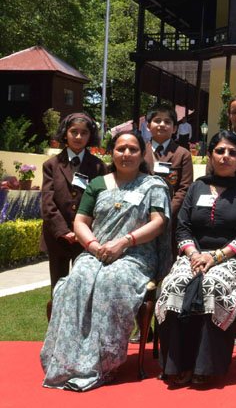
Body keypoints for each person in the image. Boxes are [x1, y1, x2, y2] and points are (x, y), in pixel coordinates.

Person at [40, 131, 171, 391]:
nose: (126, 154)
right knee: (76, 279)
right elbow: (80, 222)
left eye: (133, 149)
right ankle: (67, 362)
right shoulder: (98, 184)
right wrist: (93, 245)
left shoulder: (153, 185)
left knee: (111, 280)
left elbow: (158, 223)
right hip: (96, 251)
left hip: (136, 254)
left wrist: (125, 241)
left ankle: (103, 361)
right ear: (112, 152)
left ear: (141, 154)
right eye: (121, 148)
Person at [155, 131, 236, 385]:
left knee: (211, 286)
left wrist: (215, 257)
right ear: (210, 155)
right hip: (194, 255)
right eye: (220, 151)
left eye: (232, 153)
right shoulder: (198, 186)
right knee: (173, 285)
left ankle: (205, 367)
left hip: (232, 258)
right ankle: (177, 364)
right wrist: (194, 254)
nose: (226, 157)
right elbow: (182, 226)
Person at [40, 112, 107, 290]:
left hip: (87, 238)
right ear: (65, 133)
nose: (78, 137)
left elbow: (102, 202)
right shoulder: (51, 165)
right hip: (58, 237)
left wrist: (83, 232)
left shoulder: (99, 167)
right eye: (73, 131)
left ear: (90, 136)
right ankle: (56, 318)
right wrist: (63, 230)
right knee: (58, 287)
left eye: (84, 133)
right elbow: (47, 202)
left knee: (83, 287)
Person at [143, 103, 194, 241]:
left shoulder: (182, 154)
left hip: (171, 219)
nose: (162, 124)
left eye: (167, 122)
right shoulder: (139, 152)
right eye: (157, 120)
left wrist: (166, 213)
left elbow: (185, 188)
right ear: (148, 126)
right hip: (141, 216)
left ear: (174, 128)